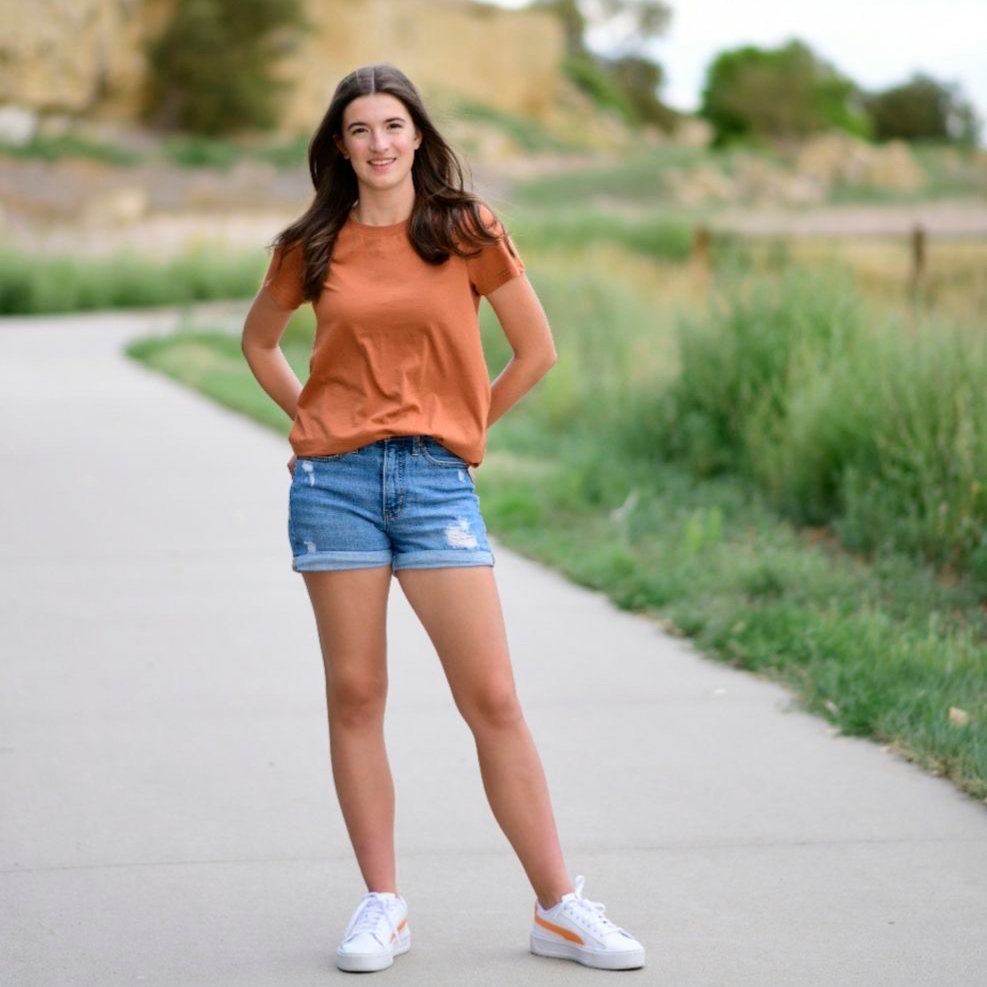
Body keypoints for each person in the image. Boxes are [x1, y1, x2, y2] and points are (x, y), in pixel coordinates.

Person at [240, 62, 645, 974]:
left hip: (435, 486)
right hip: (333, 486)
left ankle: (560, 907)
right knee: (356, 695)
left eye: (392, 125)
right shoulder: (310, 243)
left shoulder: (464, 228)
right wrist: (309, 418)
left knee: (492, 699)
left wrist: (462, 432)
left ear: (417, 134)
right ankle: (383, 906)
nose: (377, 144)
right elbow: (258, 342)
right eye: (358, 130)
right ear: (338, 146)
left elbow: (534, 351)